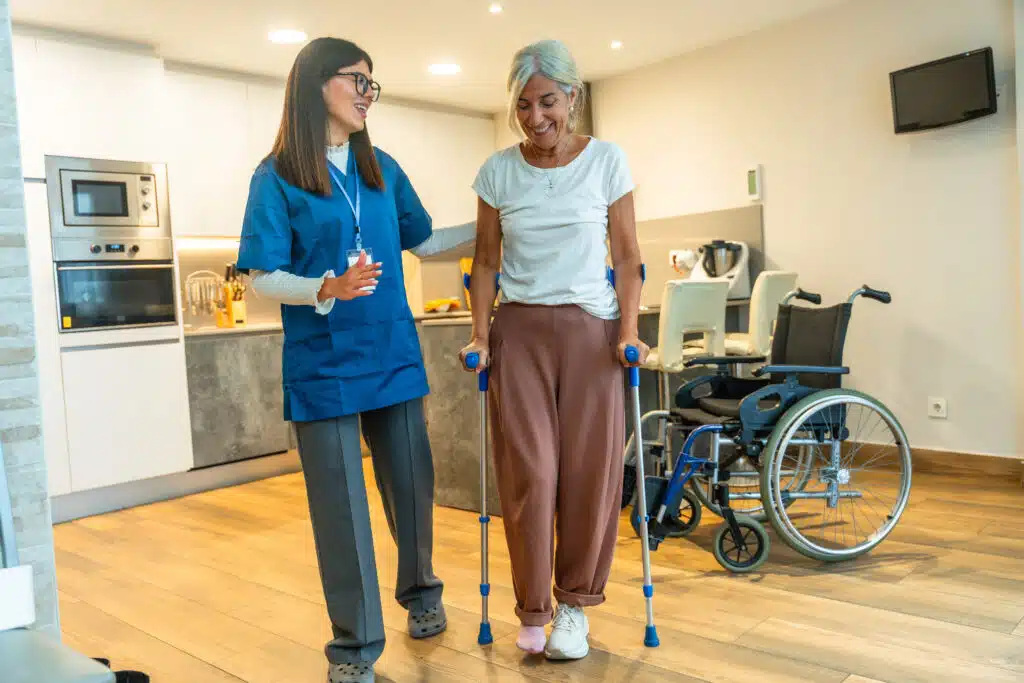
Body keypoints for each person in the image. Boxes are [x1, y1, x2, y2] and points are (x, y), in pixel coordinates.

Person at [235, 37, 475, 683]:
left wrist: (498, 217)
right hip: (324, 364)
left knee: (411, 488)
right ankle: (354, 646)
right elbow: (259, 273)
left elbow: (426, 243)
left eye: (374, 84)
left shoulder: (382, 168)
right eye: (357, 81)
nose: (368, 94)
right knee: (340, 510)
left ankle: (422, 593)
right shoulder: (277, 176)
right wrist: (323, 288)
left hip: (391, 353)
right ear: (317, 85)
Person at [459, 39, 648, 661]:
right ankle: (532, 604)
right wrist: (480, 335)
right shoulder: (497, 173)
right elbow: (485, 259)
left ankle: (574, 607)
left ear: (574, 97)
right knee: (530, 474)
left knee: (589, 475)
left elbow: (625, 256)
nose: (535, 117)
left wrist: (627, 331)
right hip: (519, 333)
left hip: (591, 333)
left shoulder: (607, 162)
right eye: (522, 105)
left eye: (547, 102)